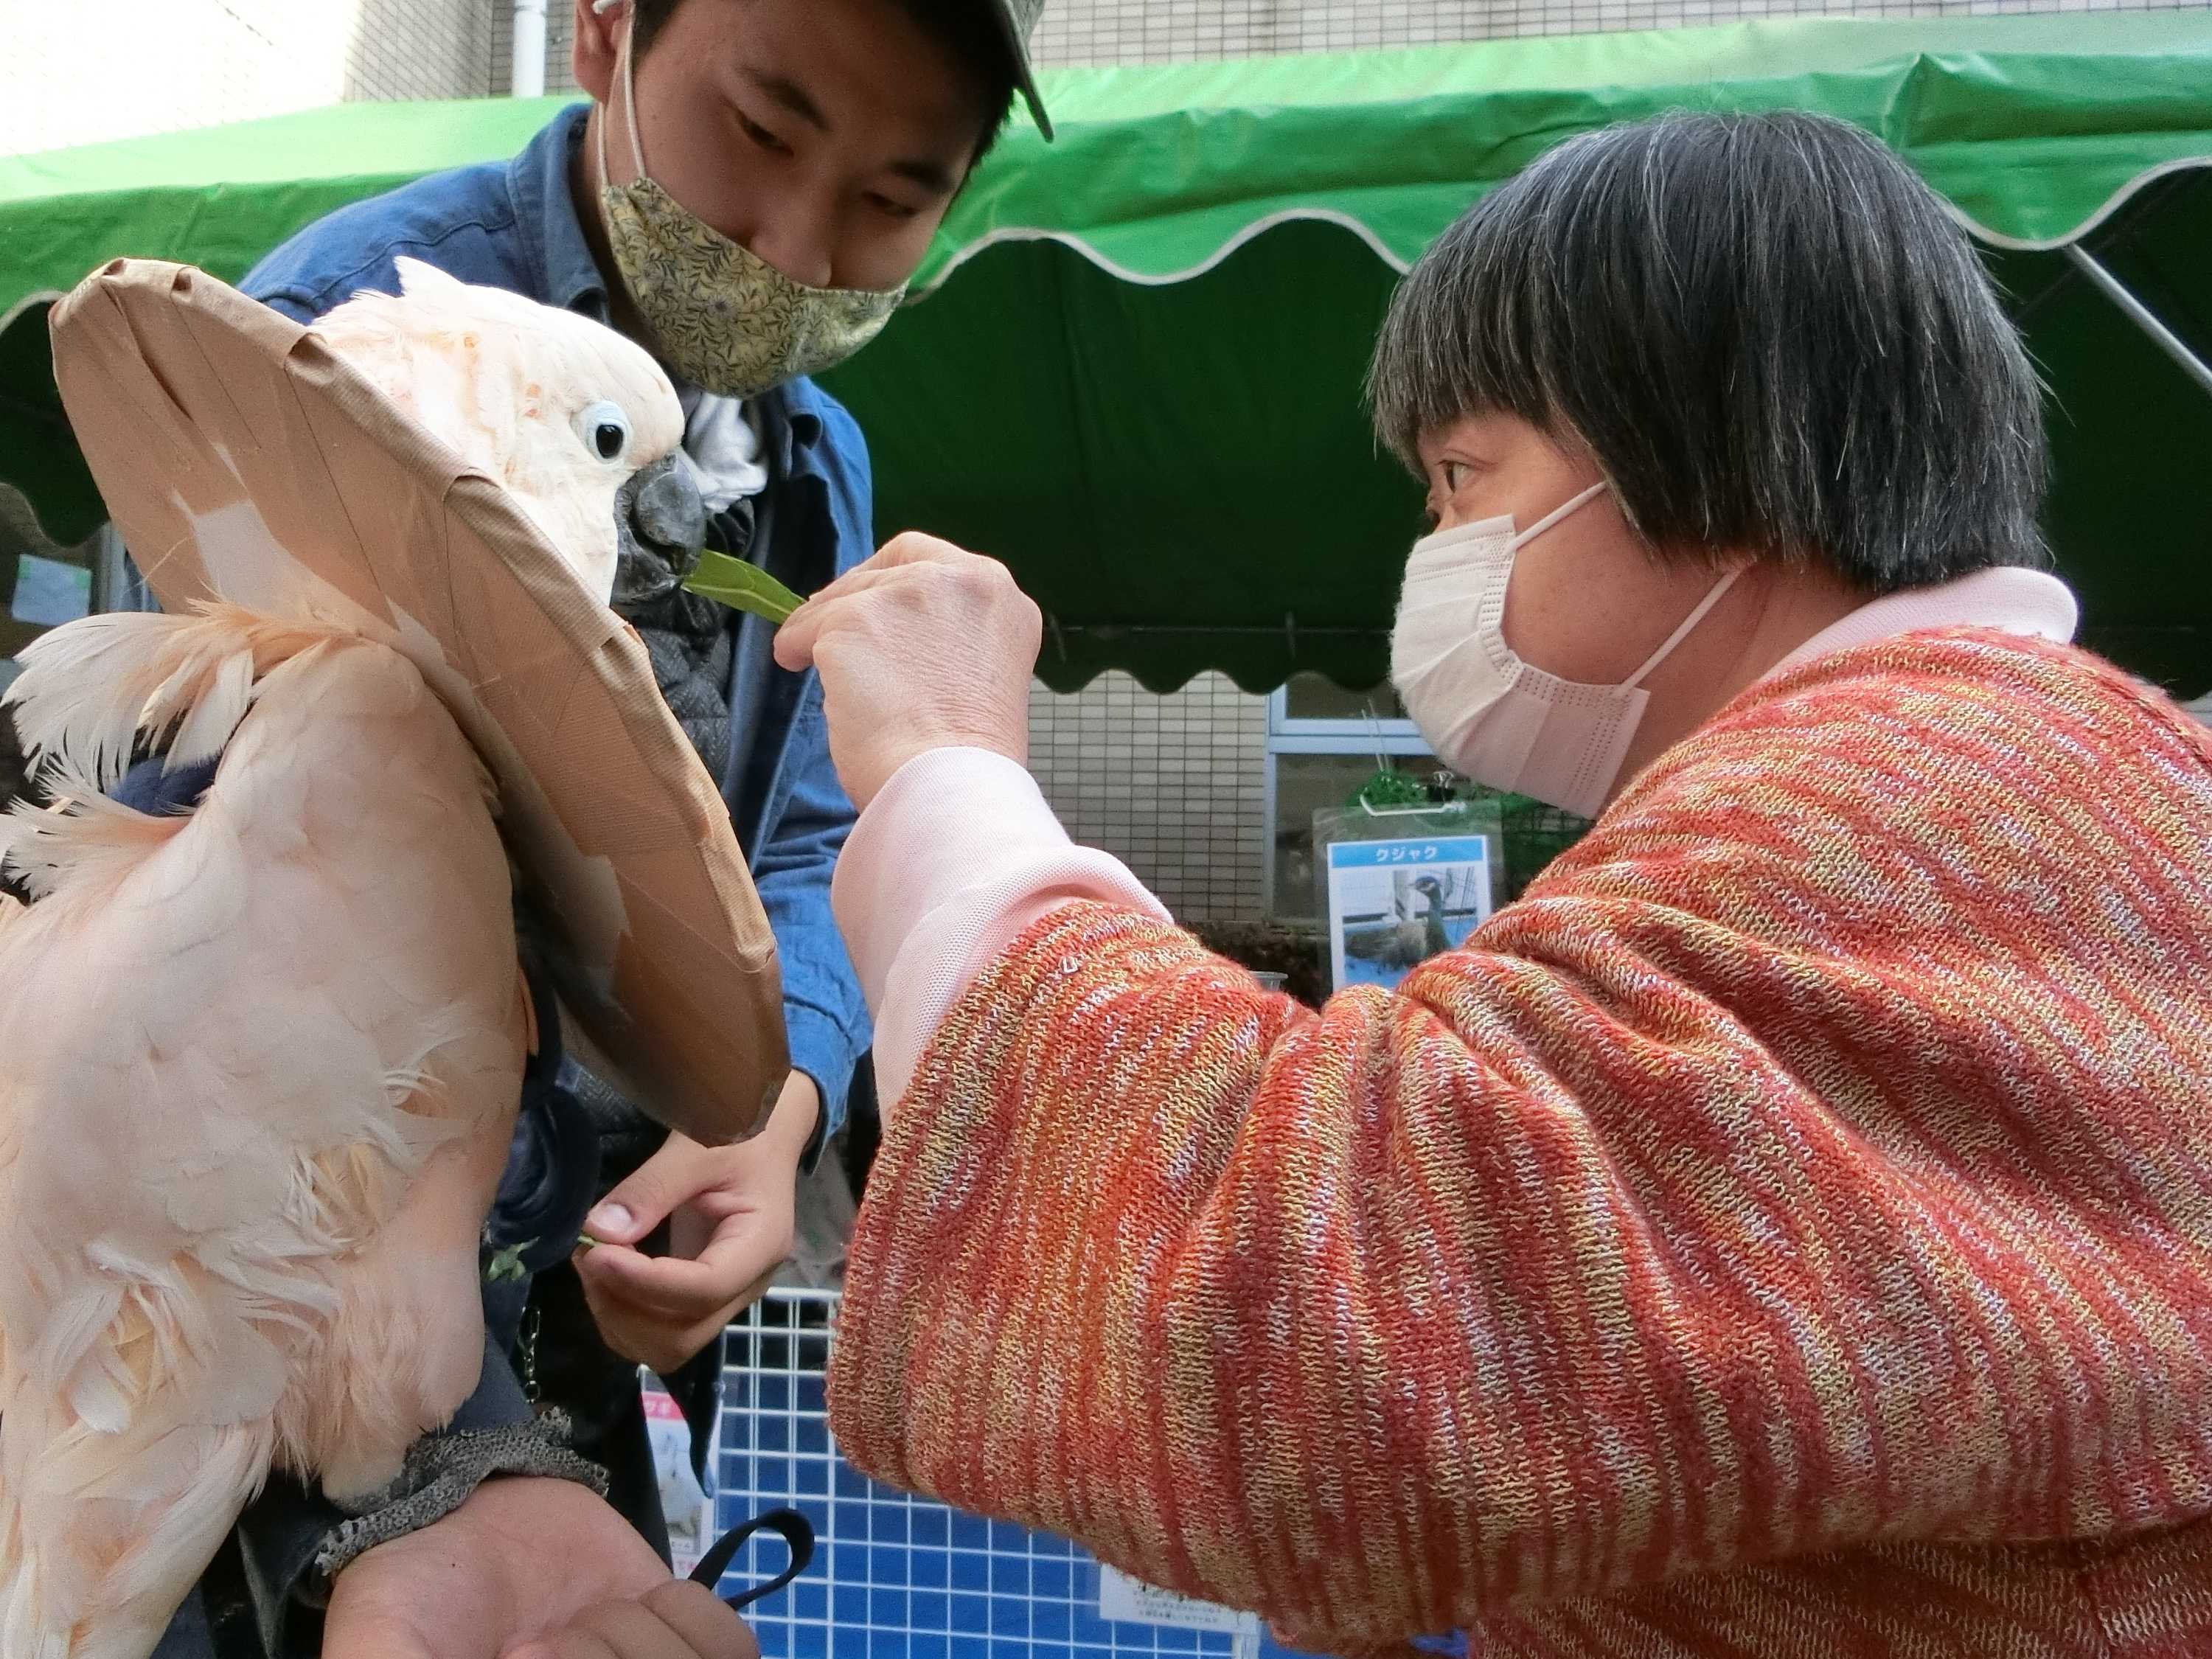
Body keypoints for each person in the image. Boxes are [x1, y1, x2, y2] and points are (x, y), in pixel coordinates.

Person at [781, 111, 2212, 1655]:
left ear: (1720, 428)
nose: (1437, 545)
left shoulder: (1911, 811)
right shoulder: (2065, 782)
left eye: (1466, 474)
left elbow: (1319, 1344)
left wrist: (946, 767)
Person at [142, 2, 1052, 1656]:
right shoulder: (346, 346)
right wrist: (425, 1444)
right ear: (602, 34)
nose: (793, 245)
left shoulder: (811, 456)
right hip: (266, 1328)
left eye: (890, 195)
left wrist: (776, 1099)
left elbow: (800, 818)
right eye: (765, 133)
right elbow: (209, 976)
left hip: (586, 1298)